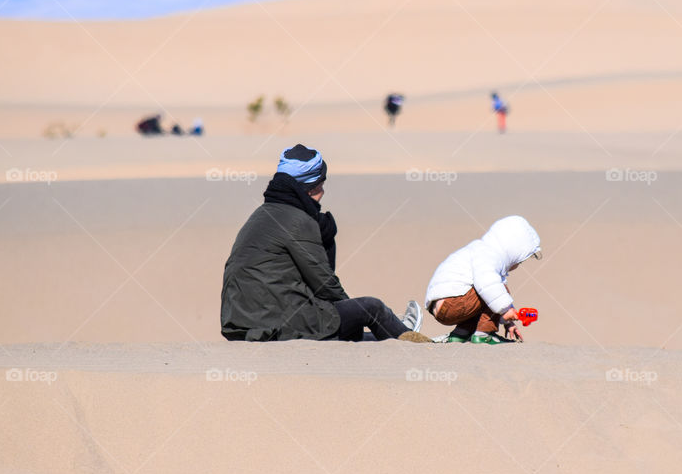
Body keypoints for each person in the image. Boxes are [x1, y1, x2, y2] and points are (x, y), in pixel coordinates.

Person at [221, 144, 428, 342]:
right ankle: (412, 341)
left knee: (355, 329)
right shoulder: (299, 222)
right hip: (274, 324)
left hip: (239, 323)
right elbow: (325, 285)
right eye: (321, 186)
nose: (323, 192)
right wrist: (353, 316)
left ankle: (396, 331)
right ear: (308, 190)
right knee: (372, 309)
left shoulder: (260, 215)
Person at [425, 215, 541, 344]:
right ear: (514, 251)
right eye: (520, 261)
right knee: (495, 290)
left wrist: (508, 322)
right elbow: (489, 285)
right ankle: (483, 335)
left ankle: (460, 334)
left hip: (443, 305)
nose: (519, 264)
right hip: (452, 303)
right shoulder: (488, 254)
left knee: (491, 293)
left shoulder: (479, 249)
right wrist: (506, 310)